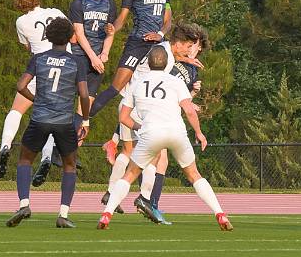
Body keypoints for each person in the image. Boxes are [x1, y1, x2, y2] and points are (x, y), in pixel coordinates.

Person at [96, 46, 232, 231]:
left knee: (129, 175)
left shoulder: (137, 83)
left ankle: (107, 214)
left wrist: (139, 127)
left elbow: (123, 118)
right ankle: (220, 214)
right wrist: (199, 133)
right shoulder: (175, 82)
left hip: (151, 133)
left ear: (148, 62)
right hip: (177, 132)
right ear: (167, 62)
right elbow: (190, 110)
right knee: (194, 175)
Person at [100, 22, 203, 218]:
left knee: (128, 151)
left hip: (132, 101)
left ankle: (111, 192)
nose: (189, 50)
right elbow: (162, 86)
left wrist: (187, 61)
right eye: (188, 45)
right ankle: (145, 199)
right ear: (179, 43)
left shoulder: (166, 51)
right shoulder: (163, 52)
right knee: (154, 156)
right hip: (143, 106)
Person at [5, 18, 90, 228]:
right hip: (64, 121)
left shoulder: (39, 58)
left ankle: (24, 203)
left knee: (25, 160)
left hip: (40, 118)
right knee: (69, 166)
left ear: (48, 36)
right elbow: (84, 95)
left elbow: (21, 85)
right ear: (71, 37)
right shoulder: (77, 62)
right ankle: (63, 214)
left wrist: (36, 99)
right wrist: (85, 120)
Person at [0, 0, 68, 186]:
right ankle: (46, 158)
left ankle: (5, 144)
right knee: (51, 118)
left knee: (16, 110)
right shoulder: (55, 12)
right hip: (61, 69)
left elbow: (28, 46)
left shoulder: (21, 21)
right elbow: (70, 34)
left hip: (39, 67)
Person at [89, 0, 171, 118]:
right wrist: (113, 28)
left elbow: (168, 21)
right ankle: (82, 119)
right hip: (138, 43)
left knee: (154, 94)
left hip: (158, 47)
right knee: (115, 88)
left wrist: (160, 35)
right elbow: (122, 17)